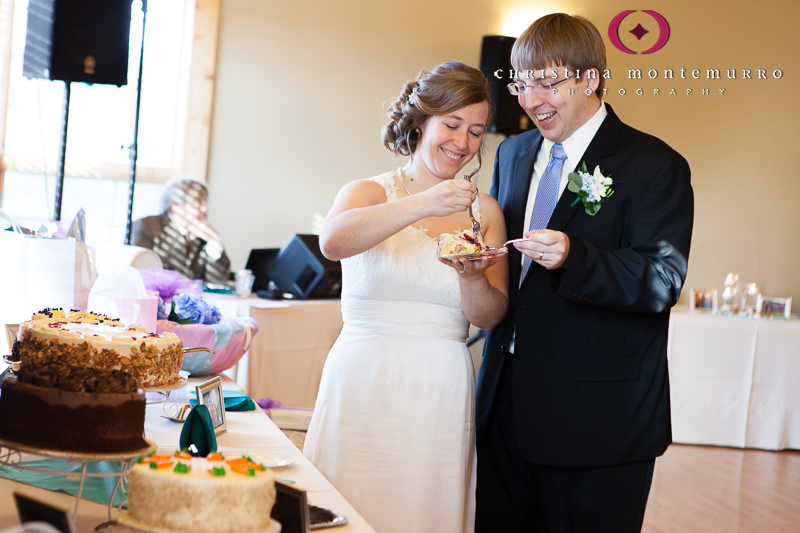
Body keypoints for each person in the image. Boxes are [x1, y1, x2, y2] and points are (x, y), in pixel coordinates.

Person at [475, 14, 693, 532]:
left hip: (598, 418)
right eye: (522, 83)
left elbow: (661, 279)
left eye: (548, 83)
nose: (530, 99)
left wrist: (578, 255)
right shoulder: (513, 152)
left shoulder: (653, 164)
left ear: (590, 79)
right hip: (505, 401)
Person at [303, 61, 509, 533]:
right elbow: (333, 243)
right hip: (362, 373)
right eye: (452, 125)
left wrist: (474, 279)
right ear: (421, 122)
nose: (463, 142)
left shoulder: (486, 213)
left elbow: (491, 315)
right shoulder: (368, 191)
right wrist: (424, 202)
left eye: (476, 131)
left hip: (439, 383)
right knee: (346, 502)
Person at [131, 176, 231, 284]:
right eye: (198, 202)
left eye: (205, 202)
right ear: (176, 206)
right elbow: (138, 271)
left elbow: (219, 281)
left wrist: (215, 241)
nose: (205, 208)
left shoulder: (203, 235)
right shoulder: (147, 225)